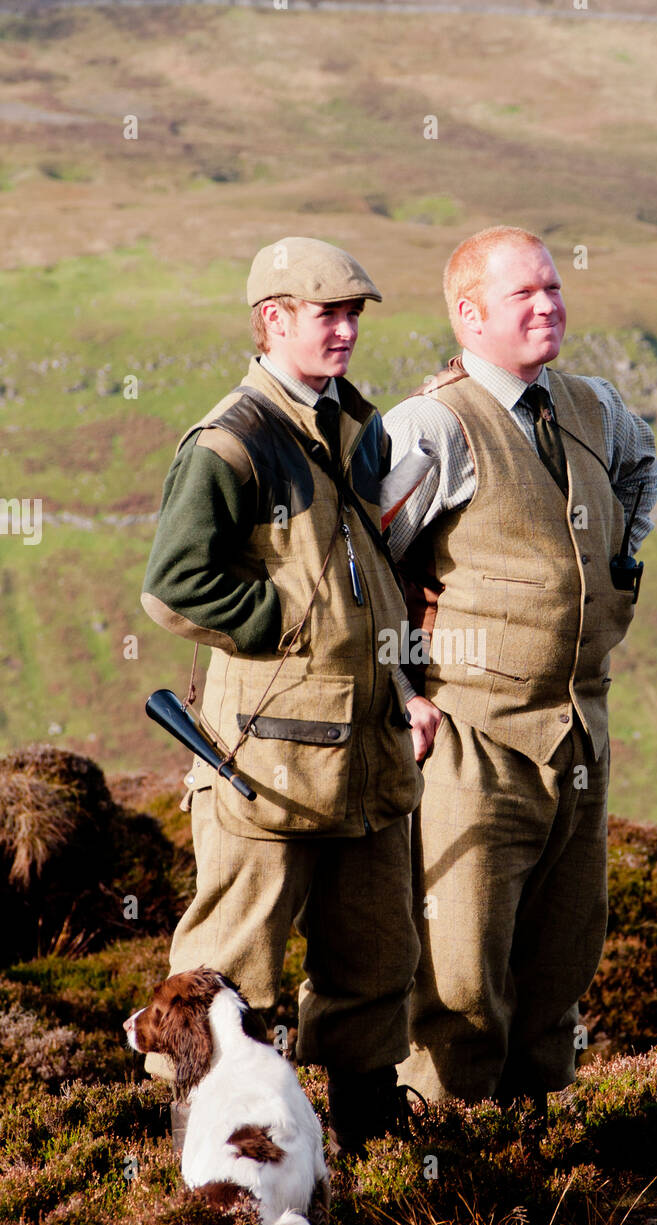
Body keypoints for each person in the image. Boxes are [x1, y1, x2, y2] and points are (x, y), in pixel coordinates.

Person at [140, 236, 424, 1156]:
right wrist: (294, 621)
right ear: (273, 319)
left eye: (354, 313)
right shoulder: (232, 438)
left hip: (368, 758)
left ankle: (371, 1156)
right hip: (265, 761)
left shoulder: (349, 424)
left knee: (376, 962)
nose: (345, 330)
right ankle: (207, 1157)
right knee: (230, 972)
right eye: (325, 312)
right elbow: (175, 584)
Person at [383, 225, 657, 1112]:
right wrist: (399, 692)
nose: (548, 305)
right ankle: (437, 1176)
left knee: (560, 964)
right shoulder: (430, 424)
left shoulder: (592, 406)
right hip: (472, 736)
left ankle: (534, 1164)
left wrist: (619, 566)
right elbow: (362, 564)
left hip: (580, 726)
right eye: (523, 295)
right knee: (459, 977)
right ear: (468, 315)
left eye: (552, 288)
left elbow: (641, 469)